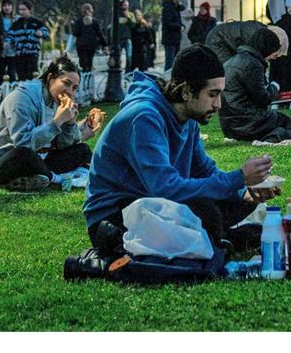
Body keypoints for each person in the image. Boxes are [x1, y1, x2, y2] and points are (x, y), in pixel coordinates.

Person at [83, 44, 279, 251]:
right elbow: (165, 188)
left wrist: (243, 192)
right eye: (212, 94)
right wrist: (239, 177)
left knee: (236, 201)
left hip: (156, 205)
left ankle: (217, 238)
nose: (218, 104)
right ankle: (222, 238)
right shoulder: (143, 117)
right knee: (205, 210)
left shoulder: (189, 118)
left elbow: (204, 170)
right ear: (186, 92)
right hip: (113, 218)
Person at [0, 56, 102, 191]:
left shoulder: (58, 101)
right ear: (50, 78)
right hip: (2, 162)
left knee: (82, 150)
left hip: (39, 160)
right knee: (24, 154)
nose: (69, 92)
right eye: (66, 83)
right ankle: (57, 179)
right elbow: (23, 143)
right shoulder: (22, 97)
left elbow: (62, 145)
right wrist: (57, 122)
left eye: (74, 88)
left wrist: (69, 123)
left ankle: (44, 176)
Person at [219, 26, 291, 144]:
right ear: (266, 48)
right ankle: (269, 139)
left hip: (228, 125)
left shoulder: (231, 61)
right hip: (245, 124)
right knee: (289, 124)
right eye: (273, 52)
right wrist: (274, 87)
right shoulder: (253, 64)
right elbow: (263, 99)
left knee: (277, 120)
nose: (273, 57)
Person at [6, 1, 49, 81]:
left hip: (32, 55)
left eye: (24, 9)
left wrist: (41, 33)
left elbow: (46, 34)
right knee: (21, 78)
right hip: (19, 55)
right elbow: (9, 37)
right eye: (20, 10)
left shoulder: (37, 23)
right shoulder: (16, 24)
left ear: (30, 10)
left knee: (32, 77)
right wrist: (9, 44)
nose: (21, 12)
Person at [72, 3, 107, 72]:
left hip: (81, 45)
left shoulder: (79, 22)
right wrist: (105, 44)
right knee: (89, 61)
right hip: (91, 45)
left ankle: (85, 73)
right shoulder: (95, 22)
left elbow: (75, 33)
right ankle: (88, 74)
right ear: (90, 11)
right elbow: (100, 34)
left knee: (82, 62)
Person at [161, 0, 185, 72]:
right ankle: (167, 81)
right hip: (169, 39)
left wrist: (182, 25)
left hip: (175, 38)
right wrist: (179, 27)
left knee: (174, 62)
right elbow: (167, 23)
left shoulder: (176, 8)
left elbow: (179, 18)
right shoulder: (168, 8)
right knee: (170, 62)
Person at [0, 0, 19, 82]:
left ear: (12, 7)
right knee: (0, 72)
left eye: (9, 5)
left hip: (12, 49)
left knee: (12, 72)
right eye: (5, 5)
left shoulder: (16, 19)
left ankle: (12, 91)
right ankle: (1, 92)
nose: (7, 8)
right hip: (0, 48)